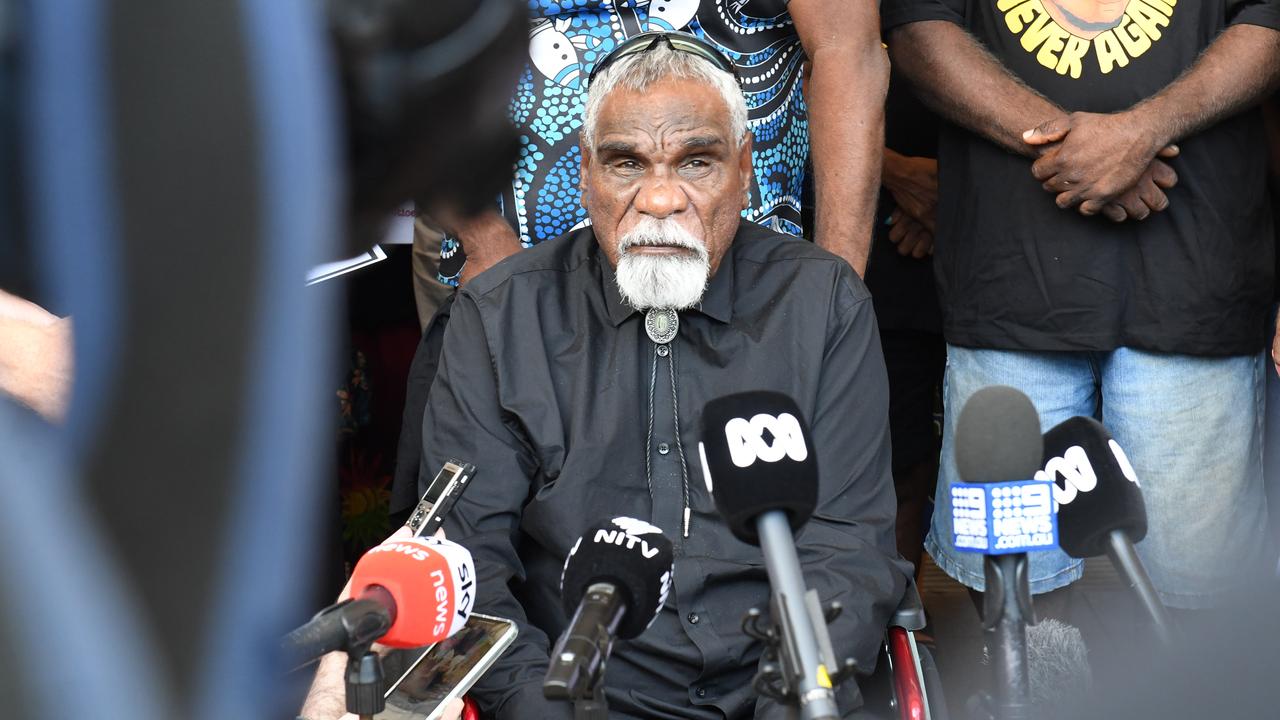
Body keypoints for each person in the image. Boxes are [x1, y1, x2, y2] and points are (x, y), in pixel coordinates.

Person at [421, 37, 910, 719]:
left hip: (782, 693)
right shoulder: (500, 320)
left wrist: (793, 701)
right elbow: (467, 566)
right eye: (626, 163)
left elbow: (848, 551)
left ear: (745, 171)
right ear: (587, 175)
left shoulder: (823, 306)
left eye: (697, 162)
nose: (659, 198)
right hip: (574, 698)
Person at [391, 0, 889, 518]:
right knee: (497, 513)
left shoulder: (812, 303)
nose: (656, 198)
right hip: (512, 276)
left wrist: (831, 296)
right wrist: (485, 240)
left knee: (760, 513)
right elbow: (401, 48)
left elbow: (846, 49)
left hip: (746, 291)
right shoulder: (499, 308)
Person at [882, 0, 1280, 609]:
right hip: (1009, 293)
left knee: (1200, 603)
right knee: (1012, 601)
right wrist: (1082, 149)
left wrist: (1142, 131)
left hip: (1194, 291)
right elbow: (918, 29)